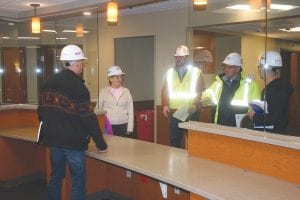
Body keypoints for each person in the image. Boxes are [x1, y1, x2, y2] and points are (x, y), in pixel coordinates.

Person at [37, 44, 107, 200]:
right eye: (81, 61)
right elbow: (88, 118)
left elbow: (41, 111)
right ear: (76, 63)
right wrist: (101, 144)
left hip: (54, 141)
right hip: (73, 143)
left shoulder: (48, 82)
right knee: (78, 181)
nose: (82, 65)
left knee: (56, 176)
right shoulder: (79, 87)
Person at [161, 45, 205, 148]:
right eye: (176, 57)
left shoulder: (195, 73)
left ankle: (194, 163)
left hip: (191, 112)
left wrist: (195, 104)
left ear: (187, 58)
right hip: (175, 112)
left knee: (193, 141)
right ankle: (175, 163)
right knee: (174, 140)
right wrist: (165, 105)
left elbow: (201, 91)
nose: (178, 59)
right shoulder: (170, 73)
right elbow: (165, 90)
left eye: (181, 57)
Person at [201, 52, 261, 127]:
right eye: (225, 66)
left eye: (230, 67)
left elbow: (256, 109)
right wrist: (205, 100)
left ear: (238, 68)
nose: (226, 69)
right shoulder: (218, 83)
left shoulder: (250, 85)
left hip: (239, 129)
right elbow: (206, 97)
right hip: (219, 126)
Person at [247, 51, 293, 134]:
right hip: (276, 134)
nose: (259, 69)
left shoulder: (274, 90)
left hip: (272, 135)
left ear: (265, 68)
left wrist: (254, 117)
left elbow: (275, 118)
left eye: (260, 67)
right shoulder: (278, 87)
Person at [98, 65, 134, 137]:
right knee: (110, 147)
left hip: (124, 125)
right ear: (110, 79)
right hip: (108, 125)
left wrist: (130, 127)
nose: (120, 79)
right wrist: (100, 126)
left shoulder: (126, 91)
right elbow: (98, 110)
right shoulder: (103, 92)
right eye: (117, 77)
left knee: (123, 147)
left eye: (121, 76)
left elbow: (130, 110)